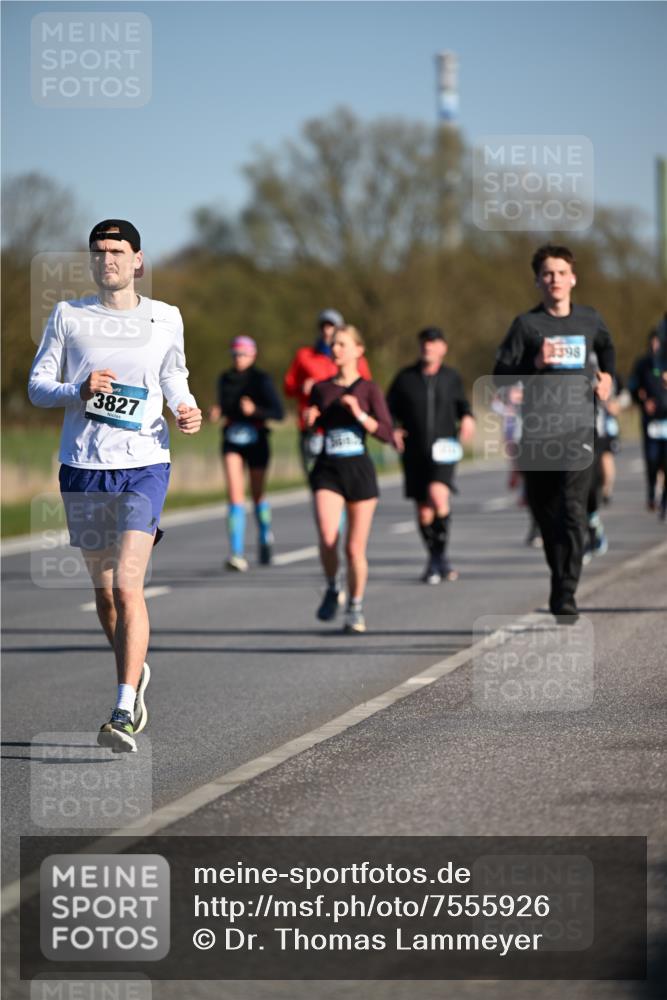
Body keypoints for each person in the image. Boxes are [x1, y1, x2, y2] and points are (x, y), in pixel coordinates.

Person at [28, 219, 202, 752]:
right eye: (99, 251)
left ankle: (122, 709)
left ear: (138, 260)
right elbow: (37, 387)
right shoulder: (69, 315)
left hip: (144, 463)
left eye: (118, 251)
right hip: (83, 466)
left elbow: (173, 374)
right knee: (105, 596)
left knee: (128, 586)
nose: (108, 259)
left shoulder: (165, 316)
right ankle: (134, 668)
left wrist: (185, 405)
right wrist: (78, 390)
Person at [493, 244, 615, 624]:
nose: (555, 280)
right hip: (538, 432)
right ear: (538, 281)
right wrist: (535, 362)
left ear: (573, 278)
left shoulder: (590, 319)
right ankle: (558, 579)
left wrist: (608, 378)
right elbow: (500, 377)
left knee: (573, 510)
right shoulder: (526, 326)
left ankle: (566, 593)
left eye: (561, 273)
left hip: (579, 428)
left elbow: (607, 348)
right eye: (547, 274)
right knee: (547, 514)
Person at [305, 325, 394, 633]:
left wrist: (359, 413)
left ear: (358, 350)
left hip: (359, 470)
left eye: (342, 344)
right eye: (333, 344)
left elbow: (387, 433)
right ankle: (333, 586)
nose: (336, 349)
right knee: (328, 537)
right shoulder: (321, 389)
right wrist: (309, 421)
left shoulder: (369, 389)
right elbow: (312, 427)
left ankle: (355, 606)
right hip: (327, 469)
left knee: (354, 549)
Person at [387, 328, 475, 583]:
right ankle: (436, 559)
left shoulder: (451, 377)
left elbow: (462, 405)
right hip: (414, 451)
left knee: (438, 496)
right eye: (424, 343)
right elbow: (388, 409)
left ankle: (438, 559)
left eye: (433, 343)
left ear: (443, 348)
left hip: (444, 448)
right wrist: (393, 429)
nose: (428, 347)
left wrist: (468, 418)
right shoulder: (405, 378)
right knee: (424, 511)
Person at [209, 335, 284, 570]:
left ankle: (264, 537)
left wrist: (255, 411)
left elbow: (278, 412)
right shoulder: (225, 378)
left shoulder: (261, 379)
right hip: (232, 439)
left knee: (257, 494)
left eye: (243, 354)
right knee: (235, 495)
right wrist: (217, 412)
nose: (239, 359)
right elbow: (224, 405)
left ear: (253, 355)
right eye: (235, 355)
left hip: (257, 439)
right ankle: (237, 553)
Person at [284, 309, 371, 474]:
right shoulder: (304, 356)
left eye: (331, 326)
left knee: (347, 477)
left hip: (346, 427)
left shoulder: (355, 358)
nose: (327, 331)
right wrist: (302, 387)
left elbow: (367, 390)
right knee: (318, 478)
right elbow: (288, 387)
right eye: (323, 326)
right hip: (313, 428)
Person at [628, 329, 667, 517]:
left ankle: (664, 502)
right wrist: (643, 402)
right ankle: (652, 492)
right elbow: (633, 387)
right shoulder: (642, 364)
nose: (655, 347)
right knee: (652, 460)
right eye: (653, 343)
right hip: (651, 422)